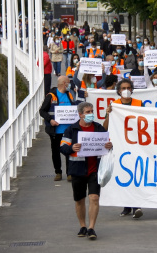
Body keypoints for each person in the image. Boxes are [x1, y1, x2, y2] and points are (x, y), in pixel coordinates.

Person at [60, 102, 113, 240]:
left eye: (92, 111)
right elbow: (63, 148)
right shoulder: (71, 130)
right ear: (80, 114)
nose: (91, 114)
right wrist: (72, 148)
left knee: (94, 198)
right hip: (77, 170)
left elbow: (108, 144)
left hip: (95, 170)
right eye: (88, 112)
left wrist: (109, 145)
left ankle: (91, 228)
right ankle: (83, 225)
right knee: (79, 200)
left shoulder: (98, 128)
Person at [104, 79, 145, 219]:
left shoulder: (140, 104)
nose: (126, 90)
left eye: (128, 87)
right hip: (120, 145)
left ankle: (137, 205)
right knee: (123, 175)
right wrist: (109, 114)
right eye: (123, 88)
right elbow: (105, 127)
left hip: (136, 144)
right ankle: (127, 206)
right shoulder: (114, 106)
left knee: (136, 174)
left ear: (132, 89)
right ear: (119, 91)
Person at [39, 76, 75, 181]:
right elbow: (42, 111)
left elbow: (74, 107)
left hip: (68, 130)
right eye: (68, 83)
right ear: (64, 83)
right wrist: (50, 120)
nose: (70, 85)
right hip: (55, 130)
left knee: (69, 151)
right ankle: (58, 172)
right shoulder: (51, 96)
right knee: (56, 151)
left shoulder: (69, 95)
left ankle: (70, 173)